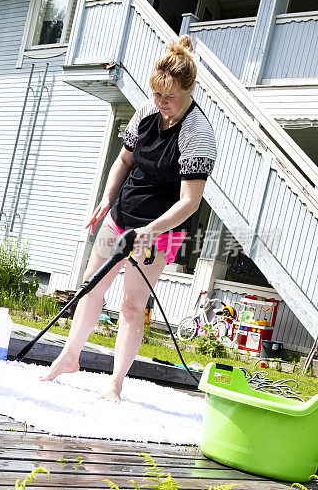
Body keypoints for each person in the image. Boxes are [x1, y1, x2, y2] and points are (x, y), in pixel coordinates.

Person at [40, 35, 217, 402]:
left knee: (133, 304)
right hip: (122, 215)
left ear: (190, 90)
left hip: (161, 230)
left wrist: (148, 233)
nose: (161, 103)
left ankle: (116, 383)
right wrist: (107, 200)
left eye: (169, 97)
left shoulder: (198, 132)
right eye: (157, 95)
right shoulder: (146, 112)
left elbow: (190, 202)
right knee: (91, 285)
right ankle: (68, 357)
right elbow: (124, 160)